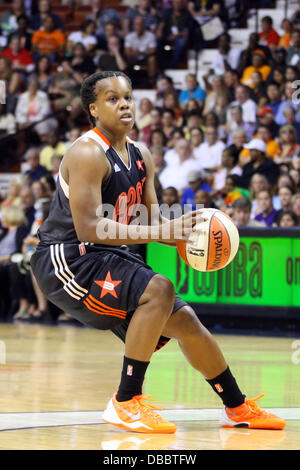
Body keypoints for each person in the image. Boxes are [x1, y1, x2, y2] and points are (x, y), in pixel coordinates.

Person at [29, 71, 286, 434]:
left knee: (188, 323)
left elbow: (149, 218)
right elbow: (89, 226)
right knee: (160, 290)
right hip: (68, 258)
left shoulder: (141, 154)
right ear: (94, 109)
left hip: (107, 254)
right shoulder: (86, 152)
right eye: (113, 99)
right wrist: (160, 230)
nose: (124, 105)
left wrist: (189, 238)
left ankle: (236, 406)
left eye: (128, 98)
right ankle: (125, 401)